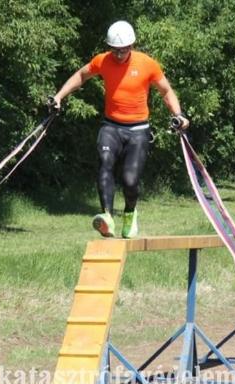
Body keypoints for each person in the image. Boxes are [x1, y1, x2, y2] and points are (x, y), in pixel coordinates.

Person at [52, 20, 189, 239]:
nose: (119, 54)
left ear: (132, 45)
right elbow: (81, 75)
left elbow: (166, 91)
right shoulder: (102, 61)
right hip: (111, 126)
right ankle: (107, 216)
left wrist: (178, 115)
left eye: (124, 49)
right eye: (115, 49)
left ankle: (130, 213)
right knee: (105, 162)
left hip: (138, 130)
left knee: (130, 180)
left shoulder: (147, 64)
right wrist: (59, 96)